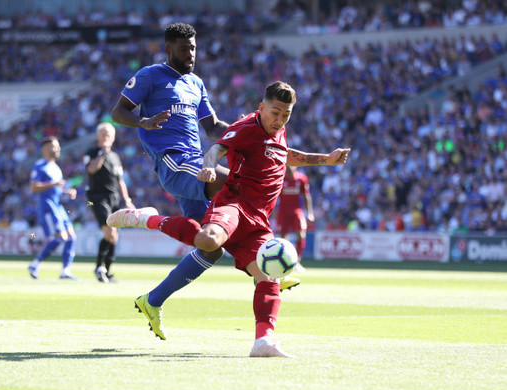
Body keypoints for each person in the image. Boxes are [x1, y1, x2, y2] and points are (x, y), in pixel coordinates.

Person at [108, 81, 350, 357]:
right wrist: (209, 168)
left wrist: (325, 160)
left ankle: (264, 341)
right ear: (261, 108)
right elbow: (216, 149)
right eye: (275, 112)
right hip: (233, 204)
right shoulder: (246, 128)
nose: (280, 119)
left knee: (268, 275)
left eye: (286, 114)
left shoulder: (278, 132)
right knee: (209, 241)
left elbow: (287, 156)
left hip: (259, 221)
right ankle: (146, 219)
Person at [111, 22, 301, 292]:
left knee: (210, 245)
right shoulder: (149, 76)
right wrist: (144, 121)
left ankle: (152, 300)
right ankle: (265, 262)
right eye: (184, 49)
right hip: (174, 161)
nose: (190, 54)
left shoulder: (195, 83)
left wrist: (250, 132)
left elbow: (212, 127)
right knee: (235, 184)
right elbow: (118, 113)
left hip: (197, 165)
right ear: (168, 49)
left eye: (193, 48)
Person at [84, 122, 136, 283]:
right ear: (98, 136)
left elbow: (120, 180)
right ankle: (99, 268)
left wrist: (127, 199)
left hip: (114, 197)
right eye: (103, 133)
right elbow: (91, 169)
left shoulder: (115, 157)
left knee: (114, 236)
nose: (106, 136)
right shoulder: (92, 152)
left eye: (109, 133)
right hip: (97, 197)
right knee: (109, 231)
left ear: (113, 137)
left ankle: (106, 270)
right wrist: (103, 153)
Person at [28, 136, 78, 280]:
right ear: (45, 149)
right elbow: (34, 187)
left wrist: (66, 192)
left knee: (71, 237)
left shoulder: (56, 167)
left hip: (58, 206)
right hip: (47, 206)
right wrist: (53, 184)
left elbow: (55, 188)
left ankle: (65, 272)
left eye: (58, 146)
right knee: (60, 238)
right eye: (55, 146)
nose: (58, 149)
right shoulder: (40, 166)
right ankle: (35, 264)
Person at [275, 166, 315, 273]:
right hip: (283, 211)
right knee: (283, 238)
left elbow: (306, 196)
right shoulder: (281, 178)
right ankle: (285, 261)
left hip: (296, 211)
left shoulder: (301, 178)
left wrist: (310, 213)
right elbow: (275, 196)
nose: (289, 168)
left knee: (301, 234)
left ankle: (297, 261)